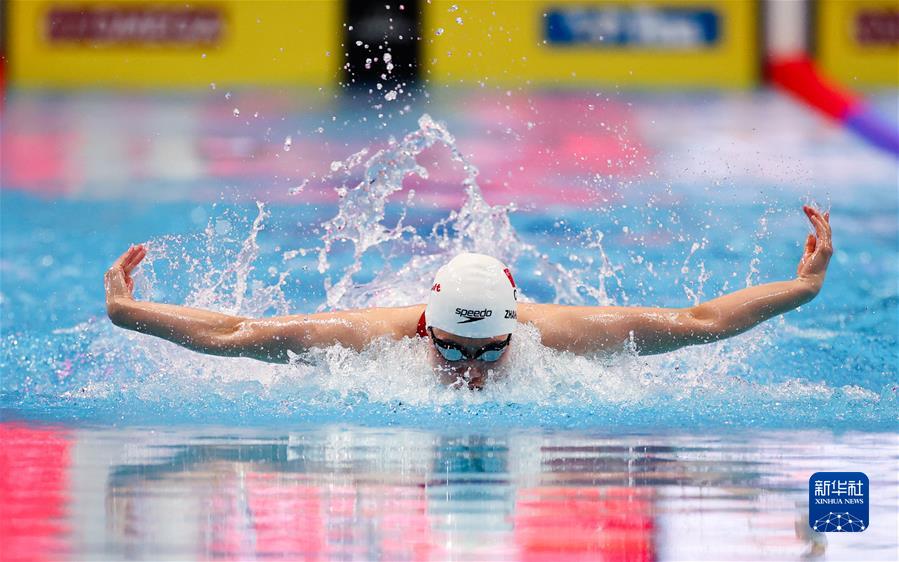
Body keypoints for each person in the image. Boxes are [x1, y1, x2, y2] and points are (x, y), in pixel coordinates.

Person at [106, 205, 832, 388]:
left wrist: (801, 288)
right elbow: (237, 332)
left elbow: (698, 321)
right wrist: (128, 311)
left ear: (517, 328)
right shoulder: (364, 337)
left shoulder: (565, 334)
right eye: (450, 346)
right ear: (423, 324)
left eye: (488, 350)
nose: (469, 368)